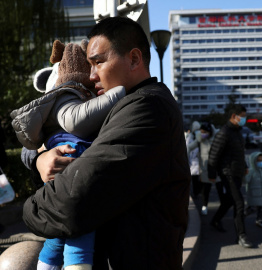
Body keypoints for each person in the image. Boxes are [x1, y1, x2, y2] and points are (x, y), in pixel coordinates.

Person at [21, 16, 191, 270]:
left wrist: (30, 210)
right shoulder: (124, 107)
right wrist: (40, 161)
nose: (91, 76)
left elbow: (71, 201)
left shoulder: (147, 109)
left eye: (98, 62)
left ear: (134, 59)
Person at [11, 39, 126, 270]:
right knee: (68, 237)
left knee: (70, 237)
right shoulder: (62, 105)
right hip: (69, 202)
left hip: (94, 213)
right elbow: (28, 149)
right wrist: (40, 158)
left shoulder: (101, 102)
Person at [208, 104, 253, 248]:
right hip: (228, 174)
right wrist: (212, 174)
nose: (244, 120)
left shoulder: (237, 132)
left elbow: (239, 153)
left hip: (237, 172)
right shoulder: (224, 133)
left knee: (228, 201)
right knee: (239, 203)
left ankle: (215, 220)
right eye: (243, 117)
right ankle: (241, 236)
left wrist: (245, 166)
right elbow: (213, 155)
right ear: (234, 116)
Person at [187, 122, 223, 216]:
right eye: (201, 132)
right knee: (206, 190)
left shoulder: (217, 138)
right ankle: (204, 205)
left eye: (204, 132)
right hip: (205, 169)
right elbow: (189, 148)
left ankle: (223, 206)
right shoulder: (200, 139)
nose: (202, 134)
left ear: (210, 131)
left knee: (220, 188)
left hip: (217, 169)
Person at [244, 152, 262, 228]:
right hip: (254, 194)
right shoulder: (251, 171)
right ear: (253, 161)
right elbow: (246, 180)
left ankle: (259, 220)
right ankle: (241, 217)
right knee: (252, 208)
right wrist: (244, 173)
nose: (260, 162)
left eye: (261, 160)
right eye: (258, 160)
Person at [185, 121, 202, 199]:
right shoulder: (189, 139)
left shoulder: (200, 138)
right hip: (192, 162)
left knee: (199, 179)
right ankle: (196, 192)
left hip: (199, 162)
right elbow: (187, 150)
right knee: (195, 179)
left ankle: (198, 191)